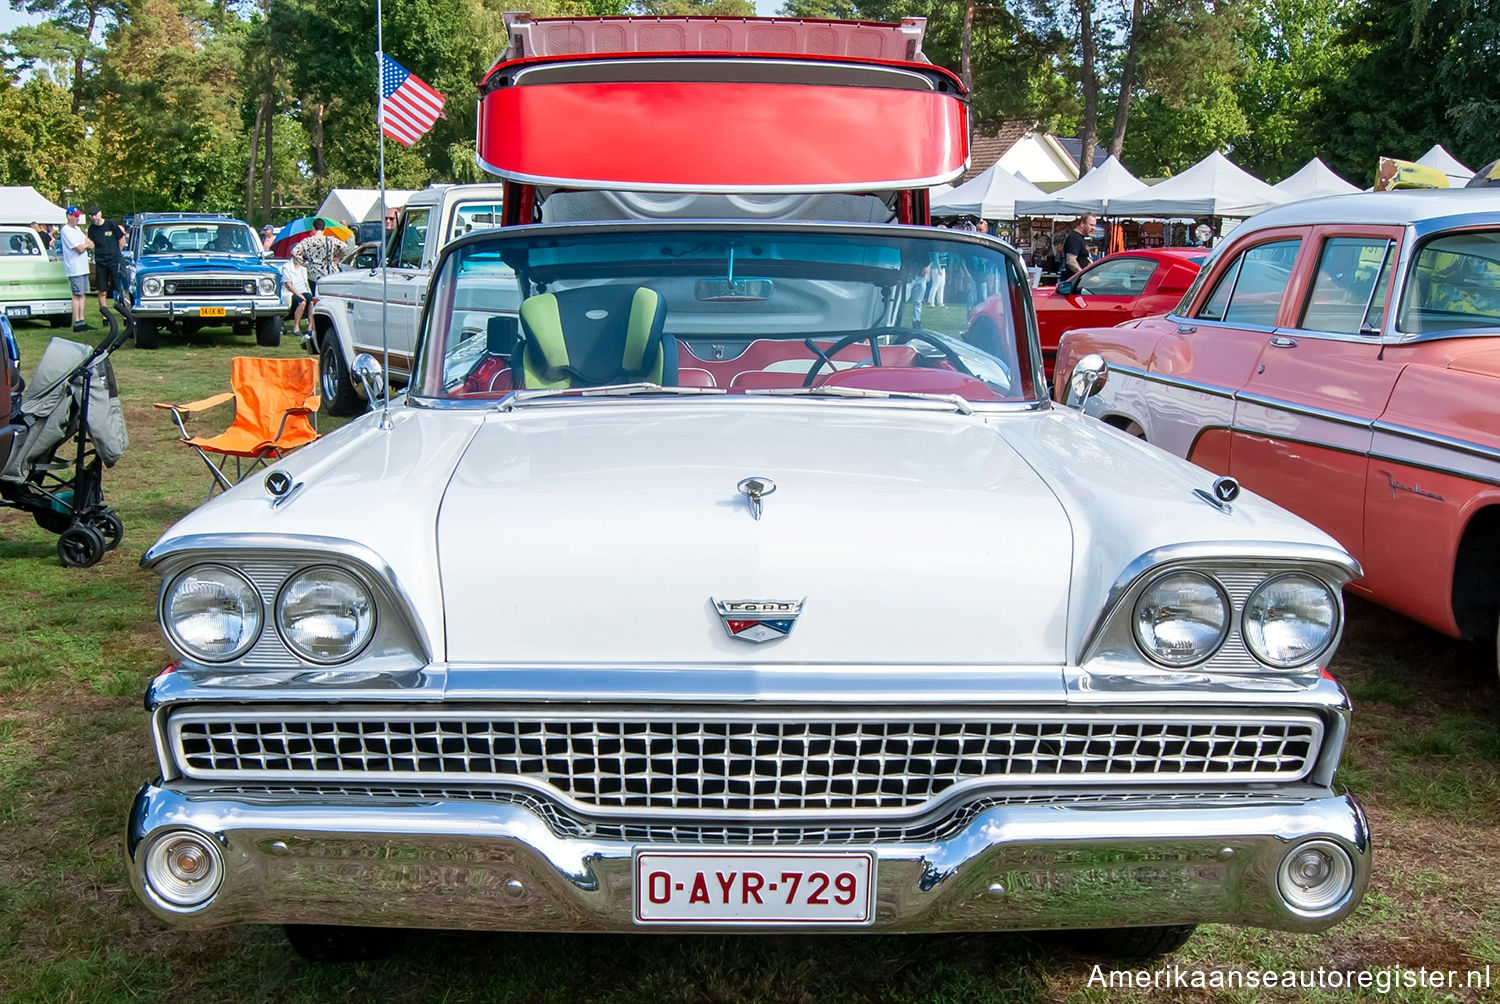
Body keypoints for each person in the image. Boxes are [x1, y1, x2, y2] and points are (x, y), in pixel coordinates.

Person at [86, 205, 128, 314]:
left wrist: (117, 254)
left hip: (114, 260)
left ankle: (124, 313)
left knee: (119, 288)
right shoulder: (91, 229)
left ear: (100, 213)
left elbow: (121, 240)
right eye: (91, 216)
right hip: (101, 262)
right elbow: (91, 243)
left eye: (95, 215)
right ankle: (105, 316)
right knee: (102, 290)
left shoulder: (111, 224)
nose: (94, 217)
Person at [59, 206, 94, 332]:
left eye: (78, 216)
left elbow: (90, 243)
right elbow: (78, 248)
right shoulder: (66, 230)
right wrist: (85, 245)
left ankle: (82, 319)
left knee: (83, 294)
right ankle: (77, 321)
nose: (77, 218)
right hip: (74, 267)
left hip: (83, 266)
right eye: (75, 216)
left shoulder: (78, 229)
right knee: (77, 294)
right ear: (68, 216)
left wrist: (85, 245)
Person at [291, 219, 346, 294]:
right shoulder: (331, 240)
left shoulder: (307, 241)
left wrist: (304, 263)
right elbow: (344, 247)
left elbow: (295, 252)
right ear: (324, 228)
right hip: (330, 272)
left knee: (316, 296)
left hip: (314, 273)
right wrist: (338, 258)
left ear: (313, 228)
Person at [281, 256, 311, 335]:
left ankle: (310, 327)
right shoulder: (286, 267)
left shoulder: (304, 267)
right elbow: (288, 285)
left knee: (311, 302)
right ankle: (296, 327)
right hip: (291, 292)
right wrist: (300, 295)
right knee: (302, 302)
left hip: (304, 290)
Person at [1061, 213, 1097, 280]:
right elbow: (1071, 262)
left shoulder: (1080, 238)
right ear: (1082, 224)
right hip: (1075, 284)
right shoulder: (1074, 238)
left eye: (1094, 225)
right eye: (1091, 225)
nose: (1093, 228)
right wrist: (1083, 276)